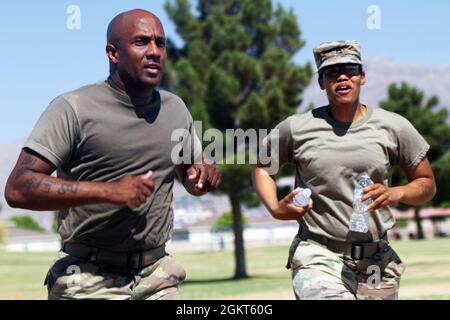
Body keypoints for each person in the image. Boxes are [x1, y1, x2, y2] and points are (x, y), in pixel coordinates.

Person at [4, 9, 221, 300]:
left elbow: (191, 175)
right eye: (142, 42)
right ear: (113, 53)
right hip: (88, 277)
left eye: (160, 42)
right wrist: (108, 192)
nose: (154, 51)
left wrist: (202, 177)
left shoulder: (175, 109)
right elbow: (18, 188)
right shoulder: (73, 109)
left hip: (156, 274)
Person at [252, 40, 436, 300]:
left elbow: (426, 184)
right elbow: (262, 168)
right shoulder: (296, 128)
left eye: (350, 69)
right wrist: (275, 207)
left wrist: (397, 193)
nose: (341, 77)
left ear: (362, 77)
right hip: (318, 253)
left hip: (375, 259)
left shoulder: (394, 127)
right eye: (331, 72)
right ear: (321, 82)